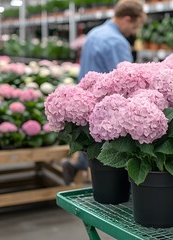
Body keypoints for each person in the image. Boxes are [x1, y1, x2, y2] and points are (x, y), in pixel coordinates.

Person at [62, 0, 147, 185]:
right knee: (107, 152)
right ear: (126, 19)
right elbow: (127, 79)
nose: (134, 32)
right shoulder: (116, 41)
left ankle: (77, 167)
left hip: (86, 99)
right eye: (135, 26)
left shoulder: (95, 33)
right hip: (105, 104)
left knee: (92, 145)